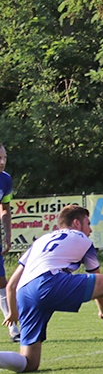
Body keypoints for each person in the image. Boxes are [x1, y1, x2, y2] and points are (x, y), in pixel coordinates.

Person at [0, 205, 103, 373]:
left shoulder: (41, 240)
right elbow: (96, 276)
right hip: (49, 281)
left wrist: (12, 312)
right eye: (88, 224)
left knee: (29, 363)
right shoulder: (82, 238)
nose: (90, 230)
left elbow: (11, 284)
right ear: (77, 223)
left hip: (24, 292)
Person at [0, 144, 20, 342]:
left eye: (4, 157)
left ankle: (13, 327)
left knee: (1, 282)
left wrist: (7, 235)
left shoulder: (5, 179)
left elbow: (5, 208)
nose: (2, 161)